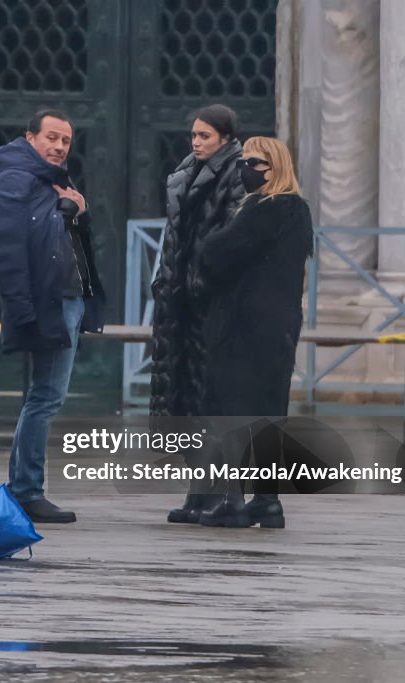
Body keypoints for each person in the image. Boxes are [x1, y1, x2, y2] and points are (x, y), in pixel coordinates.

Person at [0, 110, 105, 524]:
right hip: (46, 300)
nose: (59, 146)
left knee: (44, 396)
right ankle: (27, 491)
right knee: (45, 397)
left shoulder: (52, 183)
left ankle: (25, 488)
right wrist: (21, 307)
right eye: (51, 137)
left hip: (66, 298)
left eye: (66, 141)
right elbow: (5, 247)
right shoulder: (15, 180)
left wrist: (73, 213)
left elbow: (64, 240)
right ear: (30, 137)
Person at [190, 136, 312, 528]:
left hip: (246, 326)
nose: (244, 168)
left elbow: (219, 253)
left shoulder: (268, 208)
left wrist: (205, 247)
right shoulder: (297, 211)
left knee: (231, 408)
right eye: (242, 160)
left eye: (253, 162)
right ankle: (266, 501)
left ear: (274, 167)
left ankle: (229, 500)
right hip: (279, 326)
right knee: (268, 412)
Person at [150, 104, 245, 525]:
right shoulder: (184, 174)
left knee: (214, 401)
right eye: (194, 135)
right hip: (179, 303)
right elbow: (174, 237)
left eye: (204, 136)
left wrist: (204, 283)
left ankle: (223, 493)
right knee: (184, 399)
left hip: (210, 303)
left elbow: (230, 239)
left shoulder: (236, 175)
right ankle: (197, 488)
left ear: (225, 137)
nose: (196, 142)